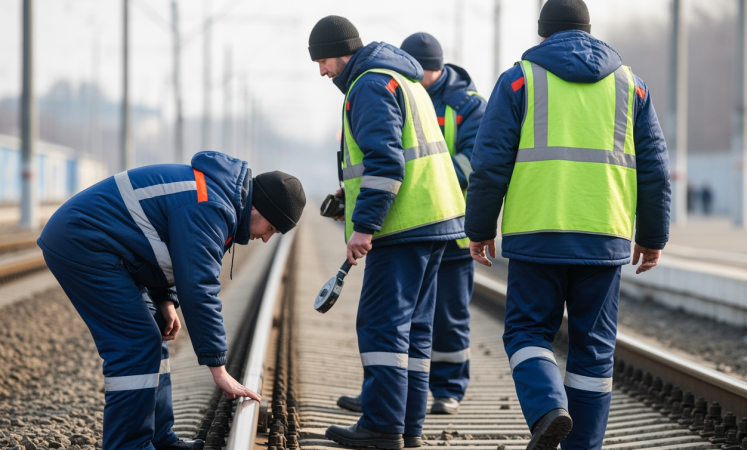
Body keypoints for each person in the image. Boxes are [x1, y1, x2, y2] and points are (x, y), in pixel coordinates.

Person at [464, 1, 671, 449]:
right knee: (593, 350)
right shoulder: (631, 86)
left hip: (537, 234)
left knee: (527, 332)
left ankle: (547, 410)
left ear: (543, 35)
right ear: (589, 31)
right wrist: (652, 237)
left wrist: (479, 228)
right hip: (604, 237)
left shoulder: (520, 80)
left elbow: (489, 163)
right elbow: (655, 169)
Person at [38, 151, 306, 450]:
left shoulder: (216, 197)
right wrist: (218, 368)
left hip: (109, 249)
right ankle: (129, 446)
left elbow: (168, 251)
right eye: (271, 228)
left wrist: (165, 300)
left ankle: (159, 438)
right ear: (258, 208)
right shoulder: (210, 204)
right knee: (134, 343)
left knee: (155, 333)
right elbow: (199, 287)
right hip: (82, 242)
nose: (267, 238)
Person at [309, 16, 466, 449]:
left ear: (341, 52)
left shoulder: (369, 85)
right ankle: (408, 428)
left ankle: (381, 426)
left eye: (323, 61)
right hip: (436, 218)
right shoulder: (404, 79)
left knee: (382, 326)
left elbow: (386, 162)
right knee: (414, 329)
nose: (321, 71)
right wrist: (352, 195)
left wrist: (364, 226)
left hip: (404, 224)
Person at [334, 31, 486, 418]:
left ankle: (446, 390)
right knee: (407, 323)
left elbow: (472, 160)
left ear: (438, 69)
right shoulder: (408, 88)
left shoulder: (465, 105)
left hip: (444, 224)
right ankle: (390, 402)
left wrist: (431, 179)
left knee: (439, 318)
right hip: (415, 217)